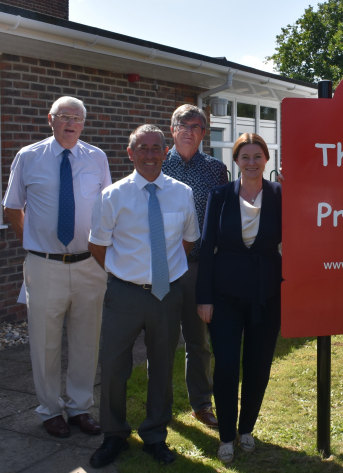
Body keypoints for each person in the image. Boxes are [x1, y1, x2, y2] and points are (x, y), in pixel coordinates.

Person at [87, 125, 200, 468]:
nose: (150, 154)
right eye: (142, 148)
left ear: (165, 153)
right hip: (124, 294)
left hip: (167, 295)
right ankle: (114, 435)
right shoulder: (113, 195)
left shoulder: (183, 193)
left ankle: (154, 435)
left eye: (156, 148)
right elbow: (97, 245)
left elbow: (188, 240)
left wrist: (160, 273)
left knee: (162, 366)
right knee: (112, 365)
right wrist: (127, 272)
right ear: (130, 152)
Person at [3, 96, 111, 438]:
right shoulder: (29, 156)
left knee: (85, 341)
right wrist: (36, 243)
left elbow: (107, 210)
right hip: (44, 265)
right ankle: (50, 410)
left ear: (83, 123)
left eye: (77, 118)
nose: (70, 123)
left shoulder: (97, 158)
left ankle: (80, 407)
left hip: (88, 265)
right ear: (50, 119)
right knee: (45, 342)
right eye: (63, 116)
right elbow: (11, 208)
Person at [196, 133, 282, 464]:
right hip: (225, 294)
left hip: (267, 294)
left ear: (266, 160)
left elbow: (305, 223)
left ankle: (247, 428)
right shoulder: (219, 195)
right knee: (228, 366)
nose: (251, 162)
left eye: (257, 156)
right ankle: (227, 436)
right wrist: (204, 297)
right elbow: (206, 248)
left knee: (258, 366)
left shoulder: (279, 194)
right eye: (244, 156)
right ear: (236, 161)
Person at [161, 104, 228, 428]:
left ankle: (202, 404)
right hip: (161, 266)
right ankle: (159, 408)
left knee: (198, 341)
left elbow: (224, 218)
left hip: (199, 266)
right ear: (172, 129)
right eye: (182, 125)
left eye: (196, 126)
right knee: (159, 339)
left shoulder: (216, 170)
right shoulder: (155, 163)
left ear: (204, 132)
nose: (189, 130)